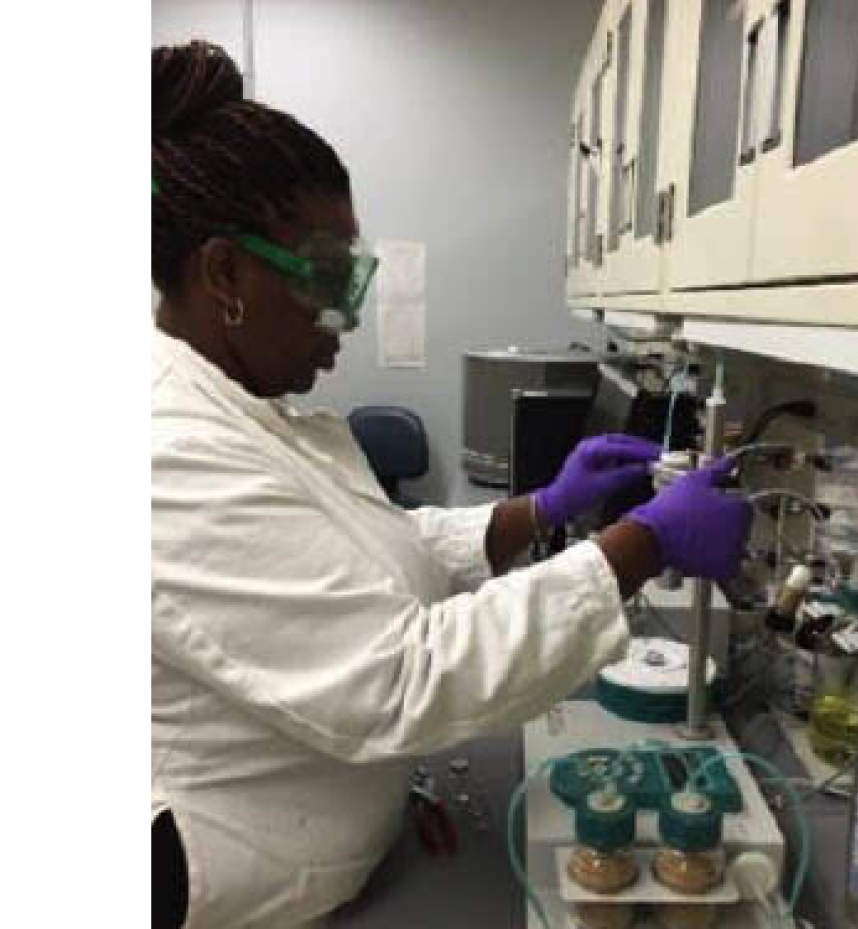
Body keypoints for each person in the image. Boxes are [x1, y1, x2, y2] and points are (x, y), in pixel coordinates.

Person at [151, 40, 753, 929]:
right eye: (326, 278)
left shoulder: (254, 412)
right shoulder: (165, 448)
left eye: (352, 280)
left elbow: (376, 556)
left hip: (344, 835)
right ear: (225, 274)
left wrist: (537, 511)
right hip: (246, 889)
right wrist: (642, 543)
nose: (345, 316)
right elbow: (402, 676)